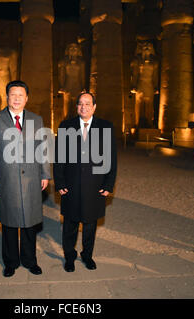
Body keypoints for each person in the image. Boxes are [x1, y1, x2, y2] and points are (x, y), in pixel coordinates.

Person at [0, 80, 51, 277]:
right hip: (7, 179)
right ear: (7, 97)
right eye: (13, 95)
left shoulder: (36, 120)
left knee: (30, 222)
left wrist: (46, 173)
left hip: (32, 178)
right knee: (9, 222)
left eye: (20, 95)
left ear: (26, 98)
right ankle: (11, 262)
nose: (16, 98)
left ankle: (30, 261)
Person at [53, 92, 117, 272]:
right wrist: (60, 183)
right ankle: (69, 257)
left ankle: (87, 256)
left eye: (87, 104)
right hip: (71, 185)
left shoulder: (105, 127)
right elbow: (59, 159)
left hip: (95, 185)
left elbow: (111, 158)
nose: (84, 107)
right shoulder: (66, 126)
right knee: (70, 225)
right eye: (80, 104)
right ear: (77, 107)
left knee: (90, 225)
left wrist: (108, 185)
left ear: (94, 107)